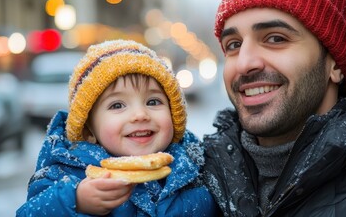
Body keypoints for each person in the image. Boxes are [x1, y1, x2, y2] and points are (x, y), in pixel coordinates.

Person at [201, 0, 346, 216]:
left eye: (276, 38)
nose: (244, 63)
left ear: (336, 65)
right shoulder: (192, 175)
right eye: (233, 45)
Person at [17, 39, 218, 216]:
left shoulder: (196, 167)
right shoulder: (67, 175)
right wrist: (75, 202)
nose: (140, 114)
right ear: (89, 131)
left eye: (153, 101)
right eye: (117, 105)